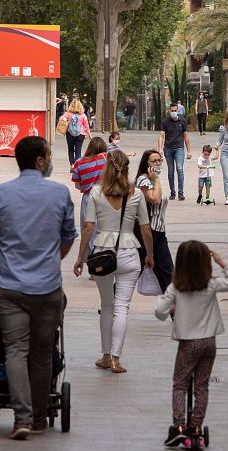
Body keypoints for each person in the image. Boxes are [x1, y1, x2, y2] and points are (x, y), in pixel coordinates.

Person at [0, 136, 77, 439]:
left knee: (16, 351)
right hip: (48, 288)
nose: (50, 160)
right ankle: (38, 417)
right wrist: (51, 260)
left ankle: (21, 418)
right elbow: (68, 236)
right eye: (48, 155)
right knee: (43, 353)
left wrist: (7, 260)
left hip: (10, 288)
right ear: (39, 160)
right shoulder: (60, 193)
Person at [155, 242, 228, 447]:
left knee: (180, 385)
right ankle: (196, 426)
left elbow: (159, 311)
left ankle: (179, 426)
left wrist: (172, 310)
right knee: (202, 386)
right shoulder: (210, 284)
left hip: (188, 343)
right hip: (209, 342)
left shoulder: (176, 287)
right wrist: (222, 262)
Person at [73, 150, 155, 374]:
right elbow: (146, 229)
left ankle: (106, 356)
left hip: (103, 254)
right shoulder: (136, 193)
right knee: (122, 307)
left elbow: (89, 227)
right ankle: (117, 359)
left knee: (107, 305)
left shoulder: (95, 193)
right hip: (130, 253)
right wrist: (150, 255)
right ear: (127, 169)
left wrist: (80, 257)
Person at [135, 150, 174, 293]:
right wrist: (157, 180)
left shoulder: (152, 179)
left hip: (158, 230)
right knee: (166, 272)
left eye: (159, 160)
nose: (158, 163)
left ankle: (175, 308)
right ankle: (111, 303)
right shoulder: (143, 180)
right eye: (154, 161)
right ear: (146, 163)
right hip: (149, 231)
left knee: (166, 273)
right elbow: (155, 200)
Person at [72, 137, 108, 265]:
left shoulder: (79, 163)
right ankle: (105, 261)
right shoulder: (107, 158)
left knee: (89, 231)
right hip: (107, 196)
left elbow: (77, 186)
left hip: (88, 198)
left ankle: (94, 264)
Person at [158, 104, 192, 201]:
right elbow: (161, 135)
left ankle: (181, 193)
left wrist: (189, 151)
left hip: (179, 148)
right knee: (170, 171)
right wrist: (160, 149)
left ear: (178, 110)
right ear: (169, 111)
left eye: (175, 110)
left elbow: (186, 137)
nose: (173, 112)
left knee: (180, 169)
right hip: (168, 148)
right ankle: (172, 192)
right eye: (172, 110)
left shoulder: (183, 121)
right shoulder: (165, 122)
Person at [61, 99, 91, 169]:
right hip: (80, 134)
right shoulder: (83, 115)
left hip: (69, 134)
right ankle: (76, 166)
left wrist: (67, 121)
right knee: (78, 151)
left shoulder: (67, 114)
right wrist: (90, 135)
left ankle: (72, 165)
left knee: (70, 150)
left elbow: (61, 119)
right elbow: (86, 126)